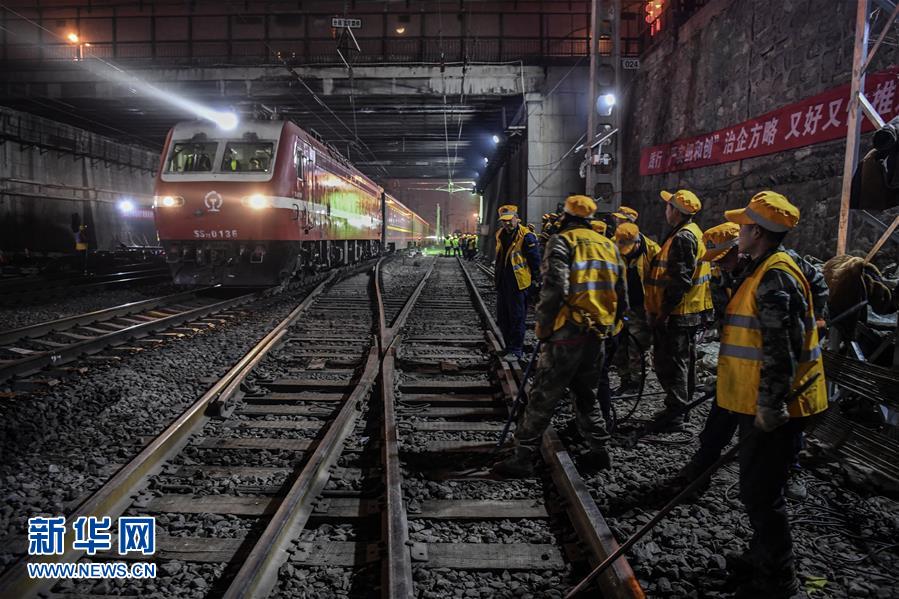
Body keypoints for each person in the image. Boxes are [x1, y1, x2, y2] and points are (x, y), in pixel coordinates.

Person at [714, 191, 828, 599]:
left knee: (761, 493)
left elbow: (782, 347)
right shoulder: (763, 267)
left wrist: (771, 403)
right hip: (761, 399)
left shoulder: (775, 275)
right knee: (758, 488)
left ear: (758, 232)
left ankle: (779, 578)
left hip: (778, 405)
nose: (738, 233)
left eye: (742, 227)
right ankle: (761, 555)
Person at [675, 223, 828, 503]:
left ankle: (791, 470)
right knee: (719, 418)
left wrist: (813, 318)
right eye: (716, 261)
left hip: (772, 369)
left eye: (724, 258)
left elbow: (817, 287)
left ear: (740, 248)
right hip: (739, 367)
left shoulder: (779, 268)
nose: (720, 265)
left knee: (782, 433)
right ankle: (703, 465)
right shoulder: (724, 275)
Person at [492, 195, 625, 476]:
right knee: (587, 395)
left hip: (567, 333)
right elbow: (621, 292)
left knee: (542, 395)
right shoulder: (608, 245)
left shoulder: (563, 241)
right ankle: (599, 450)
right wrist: (611, 327)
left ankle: (522, 457)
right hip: (597, 334)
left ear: (566, 217)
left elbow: (554, 288)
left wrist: (544, 327)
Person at [643, 189, 713, 430]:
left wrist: (662, 313)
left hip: (678, 313)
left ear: (676, 211)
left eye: (668, 206)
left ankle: (675, 413)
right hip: (688, 310)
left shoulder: (683, 238)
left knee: (672, 363)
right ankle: (680, 409)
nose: (665, 210)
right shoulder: (692, 232)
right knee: (683, 361)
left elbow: (679, 281)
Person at [613, 222, 661, 394]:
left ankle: (637, 382)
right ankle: (624, 378)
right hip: (619, 306)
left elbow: (659, 284)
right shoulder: (612, 246)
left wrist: (654, 311)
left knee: (638, 346)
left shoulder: (653, 251)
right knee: (619, 344)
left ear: (638, 242)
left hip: (641, 307)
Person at [494, 204, 541, 361]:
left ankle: (516, 350)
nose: (507, 223)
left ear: (517, 218)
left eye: (510, 220)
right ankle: (508, 347)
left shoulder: (527, 236)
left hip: (519, 284)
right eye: (504, 220)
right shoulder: (500, 234)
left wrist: (537, 281)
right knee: (503, 318)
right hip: (503, 282)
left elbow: (535, 261)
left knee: (517, 317)